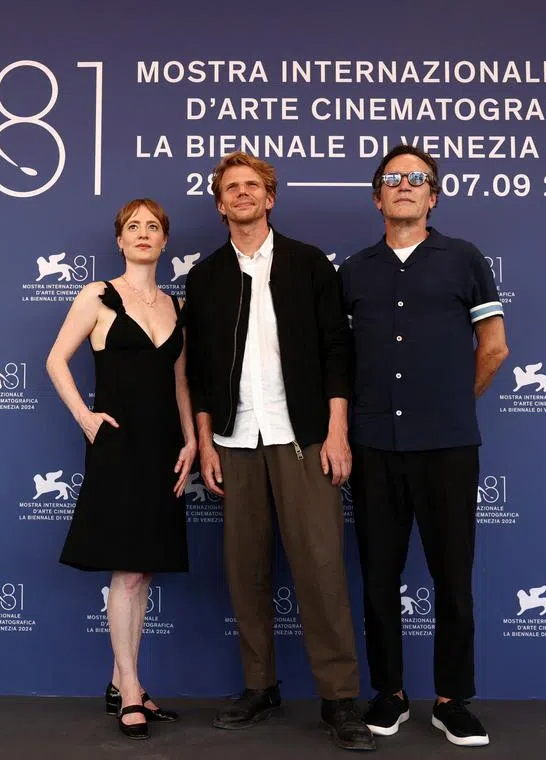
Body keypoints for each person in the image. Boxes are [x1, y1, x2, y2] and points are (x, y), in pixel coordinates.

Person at [184, 152, 375, 752]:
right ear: (220, 204)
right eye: (231, 188)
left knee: (321, 570)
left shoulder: (309, 264)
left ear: (270, 198)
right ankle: (259, 686)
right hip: (235, 443)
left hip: (303, 439)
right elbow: (204, 368)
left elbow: (337, 353)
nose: (241, 194)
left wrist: (338, 431)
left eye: (252, 187)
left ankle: (340, 700)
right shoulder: (207, 276)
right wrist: (208, 439)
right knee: (245, 572)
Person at [340, 145, 509, 747]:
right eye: (393, 179)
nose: (405, 186)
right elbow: (340, 359)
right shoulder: (355, 270)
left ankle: (451, 700)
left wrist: (453, 405)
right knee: (379, 575)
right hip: (374, 447)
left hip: (448, 446)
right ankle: (389, 693)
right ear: (378, 197)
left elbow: (493, 346)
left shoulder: (463, 259)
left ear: (432, 196)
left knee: (452, 575)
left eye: (417, 179)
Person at [47, 198, 196, 741]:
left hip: (163, 448)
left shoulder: (175, 305)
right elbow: (55, 359)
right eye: (133, 226)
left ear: (163, 241)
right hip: (117, 445)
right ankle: (131, 689)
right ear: (119, 239)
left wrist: (191, 442)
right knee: (127, 572)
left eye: (152, 227)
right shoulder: (97, 295)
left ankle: (121, 684)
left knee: (144, 570)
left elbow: (180, 382)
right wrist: (85, 417)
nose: (142, 234)